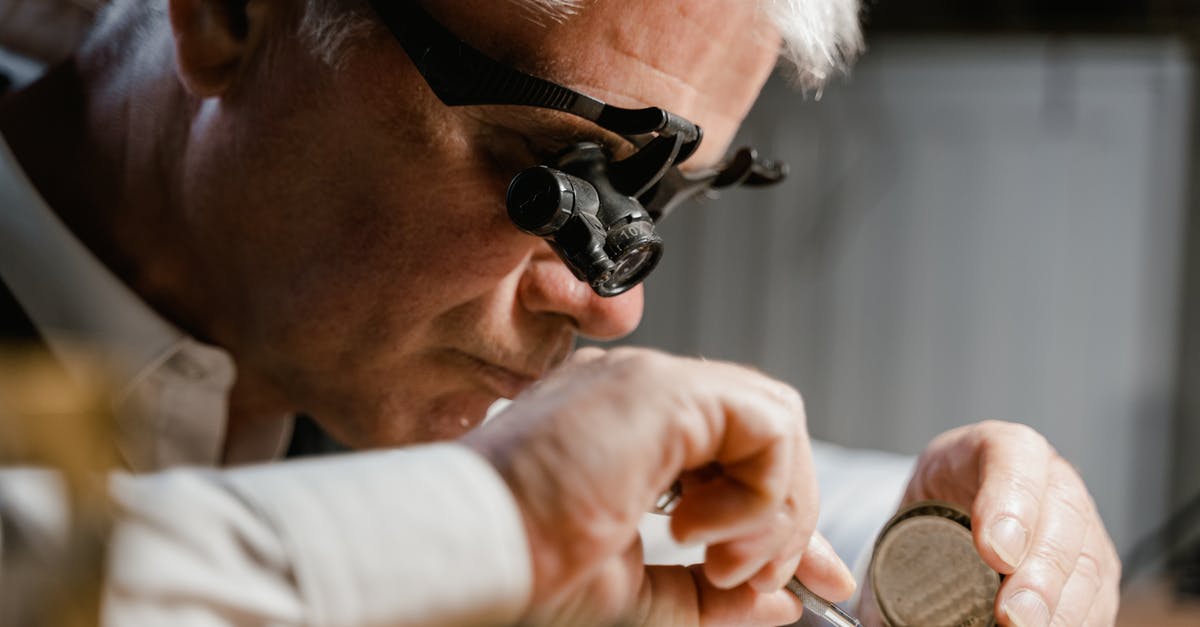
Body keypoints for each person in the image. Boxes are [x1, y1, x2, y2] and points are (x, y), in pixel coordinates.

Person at [0, 0, 1120, 625]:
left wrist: (951, 542)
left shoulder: (324, 324)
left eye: (655, 200)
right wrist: (499, 518)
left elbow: (719, 503)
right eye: (548, 169)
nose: (613, 308)